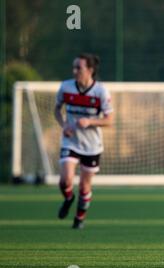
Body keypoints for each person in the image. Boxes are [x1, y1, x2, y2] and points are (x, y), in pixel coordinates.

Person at [54, 53, 114, 229]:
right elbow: (57, 110)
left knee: (84, 186)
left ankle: (79, 218)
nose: (74, 71)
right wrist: (64, 125)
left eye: (78, 68)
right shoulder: (66, 87)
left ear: (90, 70)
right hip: (71, 141)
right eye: (73, 67)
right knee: (65, 180)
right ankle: (68, 198)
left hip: (92, 146)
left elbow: (109, 120)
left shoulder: (101, 91)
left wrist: (90, 122)